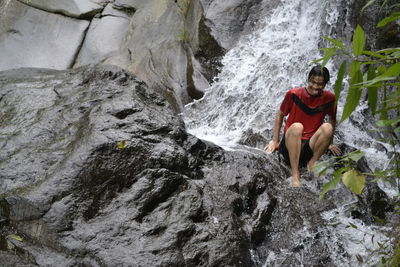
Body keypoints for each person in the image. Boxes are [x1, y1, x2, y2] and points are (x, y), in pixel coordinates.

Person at [264, 65, 341, 187]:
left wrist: (329, 143)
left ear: (326, 84)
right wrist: (275, 141)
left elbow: (332, 119)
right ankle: (295, 174)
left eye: (320, 84)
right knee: (297, 127)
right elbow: (280, 114)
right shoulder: (293, 94)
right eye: (312, 82)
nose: (315, 87)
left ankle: (312, 163)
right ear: (308, 79)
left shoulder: (330, 98)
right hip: (290, 145)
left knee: (328, 127)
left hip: (309, 146)